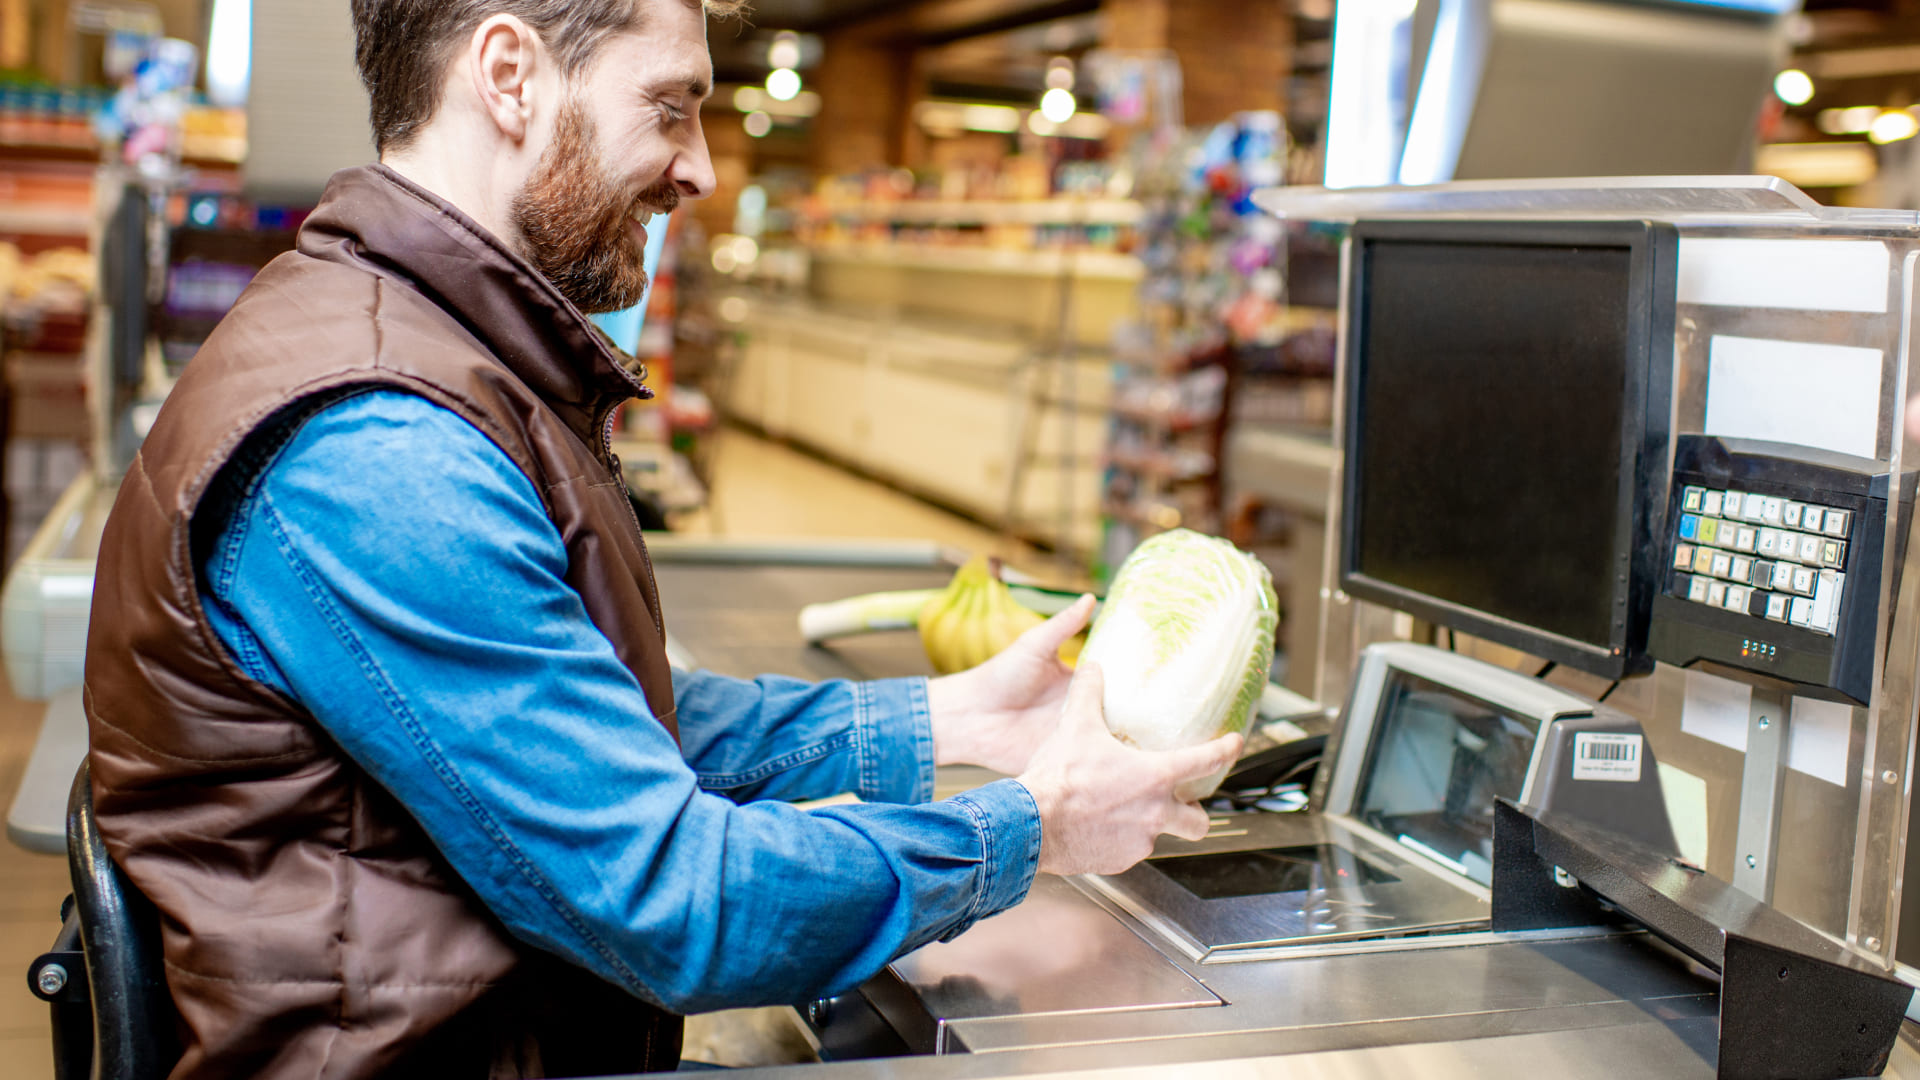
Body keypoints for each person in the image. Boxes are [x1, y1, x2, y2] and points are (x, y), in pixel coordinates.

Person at [81, 1, 1243, 1077]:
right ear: (509, 76)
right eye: (672, 105)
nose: (701, 167)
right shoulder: (381, 444)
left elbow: (602, 725)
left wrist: (954, 720)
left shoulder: (431, 357)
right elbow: (677, 901)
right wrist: (1033, 828)